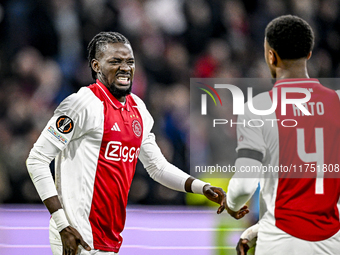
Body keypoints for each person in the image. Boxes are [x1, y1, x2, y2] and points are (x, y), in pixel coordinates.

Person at [26, 31, 227, 255]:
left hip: (109, 238)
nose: (125, 67)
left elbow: (157, 166)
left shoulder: (139, 110)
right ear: (96, 66)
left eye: (129, 61)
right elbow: (37, 159)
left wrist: (202, 187)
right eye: (115, 61)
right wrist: (63, 224)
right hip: (78, 235)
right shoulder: (81, 104)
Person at [226, 15, 340, 254]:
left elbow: (245, 185)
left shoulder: (258, 107)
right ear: (309, 54)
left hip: (281, 240)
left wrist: (232, 203)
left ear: (271, 55)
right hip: (331, 242)